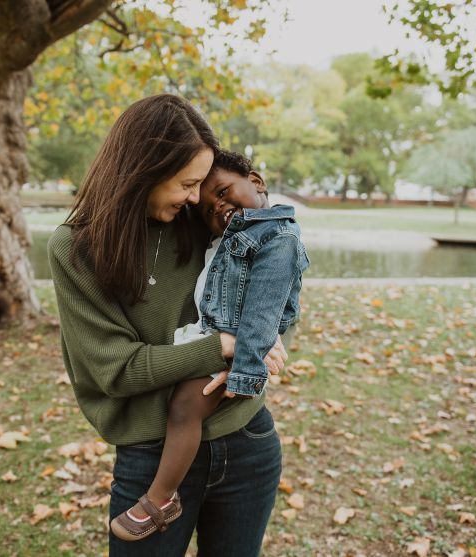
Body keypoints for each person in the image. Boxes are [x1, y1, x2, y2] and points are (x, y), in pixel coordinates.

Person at [47, 94, 287, 557]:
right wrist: (224, 346)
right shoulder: (77, 249)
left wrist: (267, 338)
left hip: (247, 440)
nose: (195, 198)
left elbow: (274, 278)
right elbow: (115, 369)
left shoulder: (206, 221)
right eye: (185, 184)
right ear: (143, 170)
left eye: (201, 184)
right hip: (151, 456)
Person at [109, 150, 309, 541]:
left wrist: (246, 370)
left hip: (240, 351)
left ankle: (160, 499)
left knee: (185, 405)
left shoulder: (277, 237)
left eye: (222, 191)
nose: (217, 205)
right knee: (182, 406)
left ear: (256, 182)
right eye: (205, 207)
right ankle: (163, 496)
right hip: (217, 338)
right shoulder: (235, 235)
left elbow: (266, 308)